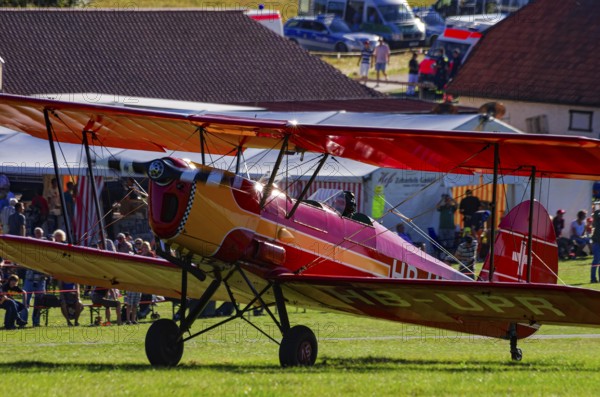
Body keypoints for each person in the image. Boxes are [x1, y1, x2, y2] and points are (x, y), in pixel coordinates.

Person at [591, 204, 600, 283]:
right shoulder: (597, 214)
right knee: (596, 260)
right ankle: (593, 279)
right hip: (597, 242)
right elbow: (596, 215)